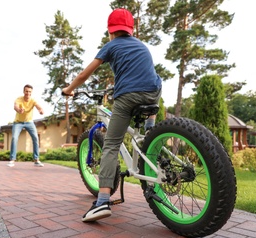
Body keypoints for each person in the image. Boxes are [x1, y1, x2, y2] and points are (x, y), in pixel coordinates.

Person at [62, 8, 162, 222]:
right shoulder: (141, 45)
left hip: (129, 97)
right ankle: (150, 125)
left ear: (111, 31)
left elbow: (84, 74)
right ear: (130, 30)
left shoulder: (111, 46)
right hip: (152, 93)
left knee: (111, 145)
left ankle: (103, 202)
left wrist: (69, 89)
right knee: (157, 80)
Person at [8, 84, 44, 167]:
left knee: (35, 138)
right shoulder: (19, 99)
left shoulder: (33, 100)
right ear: (24, 91)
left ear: (31, 92)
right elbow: (15, 107)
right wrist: (19, 110)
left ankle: (36, 160)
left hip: (29, 122)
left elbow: (38, 106)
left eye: (29, 92)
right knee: (14, 138)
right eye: (26, 91)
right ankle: (12, 160)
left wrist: (40, 110)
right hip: (18, 122)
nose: (28, 93)